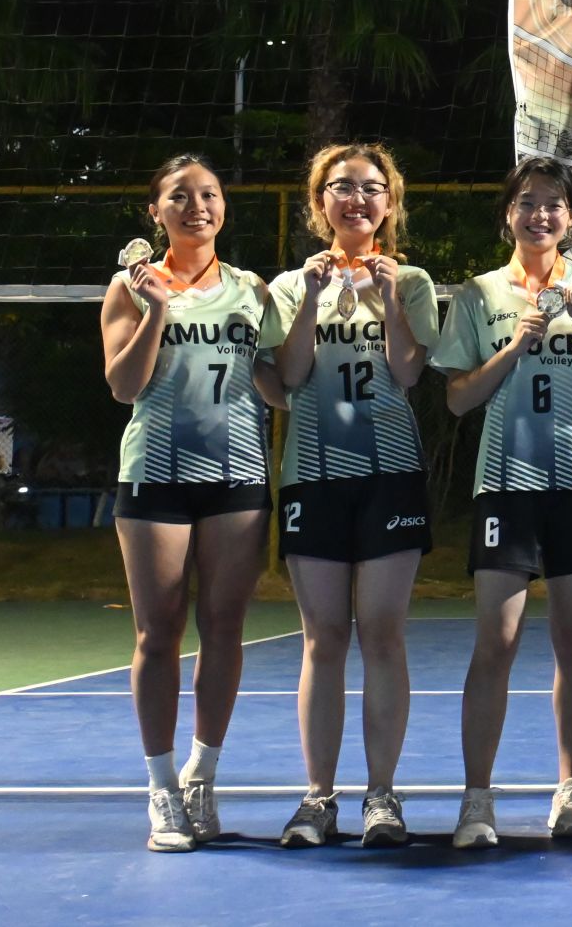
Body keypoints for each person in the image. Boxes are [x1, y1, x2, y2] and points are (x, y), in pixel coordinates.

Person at [431, 156, 572, 849]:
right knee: (498, 641)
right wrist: (515, 346)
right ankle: (477, 801)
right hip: (505, 487)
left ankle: (571, 790)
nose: (540, 214)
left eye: (553, 204)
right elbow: (458, 399)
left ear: (570, 218)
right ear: (508, 215)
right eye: (527, 202)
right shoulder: (479, 294)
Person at [98, 154, 285, 852]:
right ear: (156, 211)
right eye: (181, 195)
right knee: (158, 633)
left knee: (225, 626)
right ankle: (161, 789)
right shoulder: (130, 285)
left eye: (209, 194)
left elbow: (279, 382)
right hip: (157, 474)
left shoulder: (251, 289)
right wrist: (157, 310)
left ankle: (202, 775)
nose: (197, 206)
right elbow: (124, 385)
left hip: (237, 473)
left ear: (223, 207)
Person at [267, 144, 439, 849]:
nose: (357, 199)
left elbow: (407, 371)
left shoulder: (412, 280)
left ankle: (381, 796)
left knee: (382, 632)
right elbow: (291, 373)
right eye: (342, 187)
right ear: (321, 203)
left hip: (390, 473)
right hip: (313, 474)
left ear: (388, 204)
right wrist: (311, 298)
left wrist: (390, 297)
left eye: (371, 188)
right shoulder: (291, 285)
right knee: (324, 637)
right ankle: (318, 798)